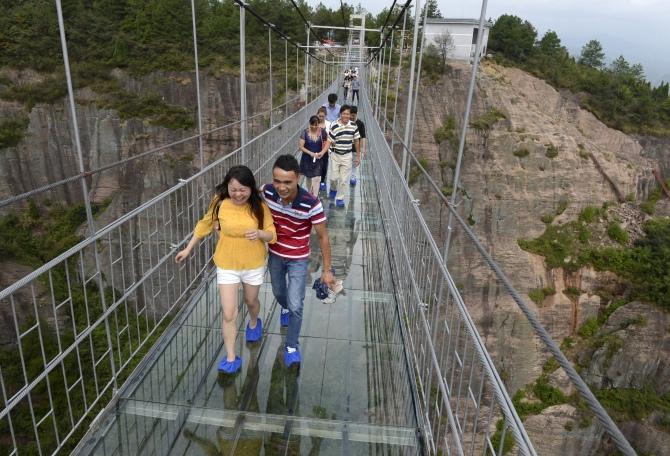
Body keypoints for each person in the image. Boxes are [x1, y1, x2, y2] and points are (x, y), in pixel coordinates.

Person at [175, 165, 276, 374]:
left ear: (251, 188)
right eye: (233, 189)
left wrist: (259, 234)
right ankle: (231, 356)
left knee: (251, 301)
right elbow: (205, 223)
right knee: (229, 312)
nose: (238, 194)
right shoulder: (219, 203)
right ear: (227, 187)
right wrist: (188, 248)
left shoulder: (259, 207)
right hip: (226, 263)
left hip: (253, 262)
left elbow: (271, 234)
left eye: (243, 189)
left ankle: (254, 322)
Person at [262, 155, 335, 366]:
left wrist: (327, 270)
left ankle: (291, 345)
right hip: (275, 253)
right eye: (277, 181)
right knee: (278, 292)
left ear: (298, 179)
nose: (281, 187)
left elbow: (323, 236)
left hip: (298, 258)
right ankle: (284, 307)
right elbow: (248, 192)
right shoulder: (268, 192)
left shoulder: (311, 203)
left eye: (287, 182)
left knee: (296, 304)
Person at [328, 105, 360, 208]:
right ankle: (333, 188)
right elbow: (330, 140)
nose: (346, 116)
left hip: (347, 156)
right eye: (344, 113)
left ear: (350, 115)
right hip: (335, 155)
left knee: (343, 180)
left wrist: (358, 156)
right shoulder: (334, 125)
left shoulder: (354, 126)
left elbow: (356, 140)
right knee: (333, 178)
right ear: (340, 114)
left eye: (348, 114)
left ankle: (340, 198)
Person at [298, 115, 330, 196]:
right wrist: (310, 153)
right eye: (313, 125)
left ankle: (315, 196)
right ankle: (309, 192)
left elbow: (327, 144)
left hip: (318, 159)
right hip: (307, 159)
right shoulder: (305, 132)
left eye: (316, 125)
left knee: (317, 178)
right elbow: (301, 146)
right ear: (310, 124)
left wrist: (322, 152)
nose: (315, 127)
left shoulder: (322, 132)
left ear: (319, 124)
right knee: (308, 177)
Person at [349, 105, 366, 187]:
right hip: (347, 147)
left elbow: (363, 137)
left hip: (356, 147)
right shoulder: (346, 122)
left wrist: (363, 148)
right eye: (350, 115)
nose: (351, 117)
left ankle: (353, 176)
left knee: (354, 163)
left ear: (356, 114)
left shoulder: (360, 124)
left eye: (353, 115)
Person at [317, 106, 331, 192]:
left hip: (325, 149)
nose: (321, 117)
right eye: (319, 116)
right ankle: (316, 180)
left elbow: (330, 137)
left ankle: (322, 181)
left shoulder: (329, 124)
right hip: (315, 148)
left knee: (324, 166)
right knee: (316, 165)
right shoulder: (314, 123)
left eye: (322, 116)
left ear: (325, 115)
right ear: (317, 115)